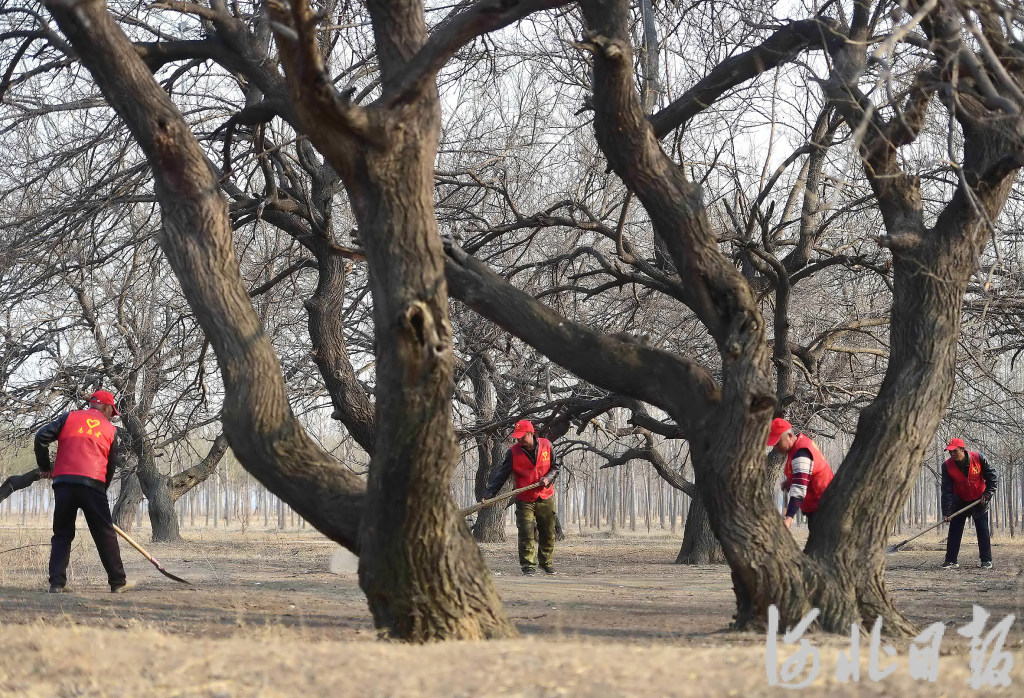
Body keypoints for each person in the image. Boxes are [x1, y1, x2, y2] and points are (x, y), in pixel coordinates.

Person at [34, 389, 129, 593]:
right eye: (111, 411)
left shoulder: (68, 417)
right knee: (104, 533)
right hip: (93, 483)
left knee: (62, 533)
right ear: (104, 406)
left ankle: (57, 584)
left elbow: (40, 437)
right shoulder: (110, 431)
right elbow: (110, 466)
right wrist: (101, 489)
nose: (111, 416)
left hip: (64, 482)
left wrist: (44, 468)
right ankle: (118, 583)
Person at [482, 419, 561, 575]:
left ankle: (546, 562)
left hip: (545, 495)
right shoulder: (512, 452)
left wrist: (548, 478)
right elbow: (501, 476)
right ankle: (528, 566)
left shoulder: (547, 445)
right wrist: (489, 493)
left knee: (548, 532)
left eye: (522, 436)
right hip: (524, 498)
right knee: (526, 532)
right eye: (517, 437)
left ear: (531, 433)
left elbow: (555, 467)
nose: (519, 440)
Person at [767, 417, 834, 530]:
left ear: (789, 436)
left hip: (823, 509)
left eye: (778, 443)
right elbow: (807, 473)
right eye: (774, 445)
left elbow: (798, 490)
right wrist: (791, 481)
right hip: (823, 507)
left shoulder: (801, 453)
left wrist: (788, 518)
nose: (776, 447)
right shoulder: (800, 445)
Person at [940, 438, 997, 570]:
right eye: (950, 452)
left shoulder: (979, 458)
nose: (952, 454)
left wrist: (987, 494)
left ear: (962, 449)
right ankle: (951, 560)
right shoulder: (947, 466)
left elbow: (992, 477)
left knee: (982, 530)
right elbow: (946, 490)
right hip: (959, 500)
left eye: (954, 451)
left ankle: (986, 561)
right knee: (954, 530)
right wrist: (947, 512)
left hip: (979, 499)